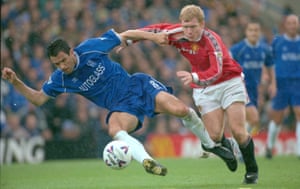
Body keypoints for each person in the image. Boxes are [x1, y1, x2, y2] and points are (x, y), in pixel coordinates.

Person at [1, 28, 235, 176]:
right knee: (114, 128)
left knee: (182, 109)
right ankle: (148, 161)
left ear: (71, 52)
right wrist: (16, 82)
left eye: (63, 60)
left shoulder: (91, 48)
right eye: (56, 64)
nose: (61, 66)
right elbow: (39, 99)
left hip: (137, 85)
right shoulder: (60, 79)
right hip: (121, 106)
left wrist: (152, 37)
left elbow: (126, 34)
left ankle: (209, 144)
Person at [124, 4, 259, 184]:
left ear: (202, 24)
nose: (189, 31)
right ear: (181, 24)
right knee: (213, 137)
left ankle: (251, 171)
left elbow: (216, 71)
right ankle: (226, 147)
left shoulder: (212, 40)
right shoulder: (176, 32)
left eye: (193, 27)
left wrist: (194, 76)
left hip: (229, 82)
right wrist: (129, 41)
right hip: (205, 88)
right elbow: (151, 30)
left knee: (238, 131)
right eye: (185, 26)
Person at [230, 20, 276, 135]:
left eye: (256, 30)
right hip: (240, 88)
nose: (253, 33)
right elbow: (227, 66)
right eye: (251, 30)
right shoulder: (238, 49)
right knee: (254, 118)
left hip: (254, 89)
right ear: (246, 32)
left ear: (260, 32)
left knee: (250, 121)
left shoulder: (264, 50)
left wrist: (273, 84)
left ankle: (238, 144)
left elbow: (270, 66)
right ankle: (240, 145)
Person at [265, 14, 300, 159]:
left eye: (294, 23)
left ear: (297, 25)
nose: (292, 25)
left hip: (297, 83)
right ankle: (270, 146)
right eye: (290, 23)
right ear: (285, 25)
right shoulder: (277, 42)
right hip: (281, 83)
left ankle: (299, 151)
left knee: (299, 114)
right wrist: (269, 79)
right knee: (277, 118)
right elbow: (269, 61)